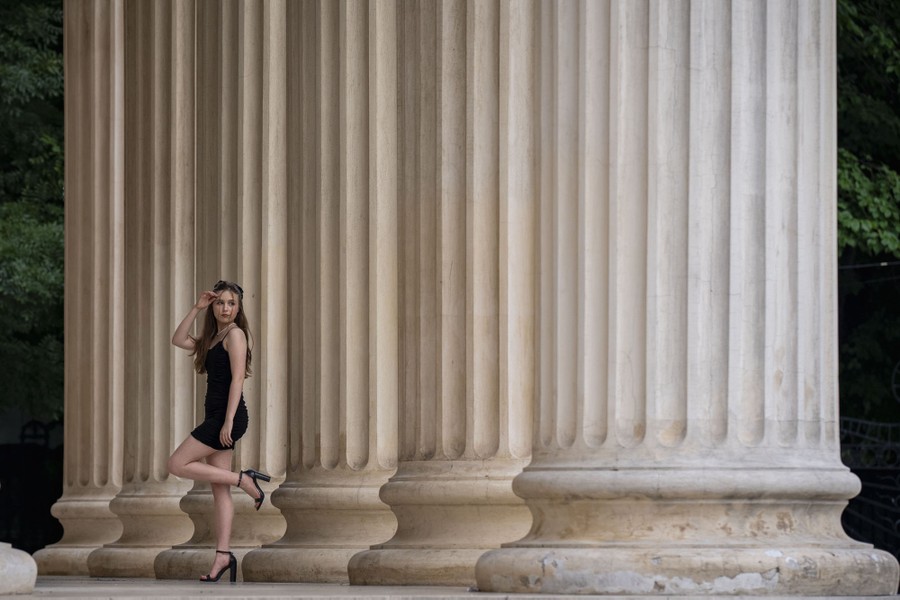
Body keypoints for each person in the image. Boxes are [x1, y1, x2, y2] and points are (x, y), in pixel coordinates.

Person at [167, 279, 270, 583]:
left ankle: (244, 479)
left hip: (227, 417)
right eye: (220, 303)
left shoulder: (235, 335)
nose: (225, 308)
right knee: (218, 490)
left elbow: (238, 379)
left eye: (231, 303)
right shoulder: (214, 337)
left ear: (239, 309)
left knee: (176, 464)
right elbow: (177, 338)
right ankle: (223, 556)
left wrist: (227, 422)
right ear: (213, 306)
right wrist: (196, 308)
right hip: (217, 415)